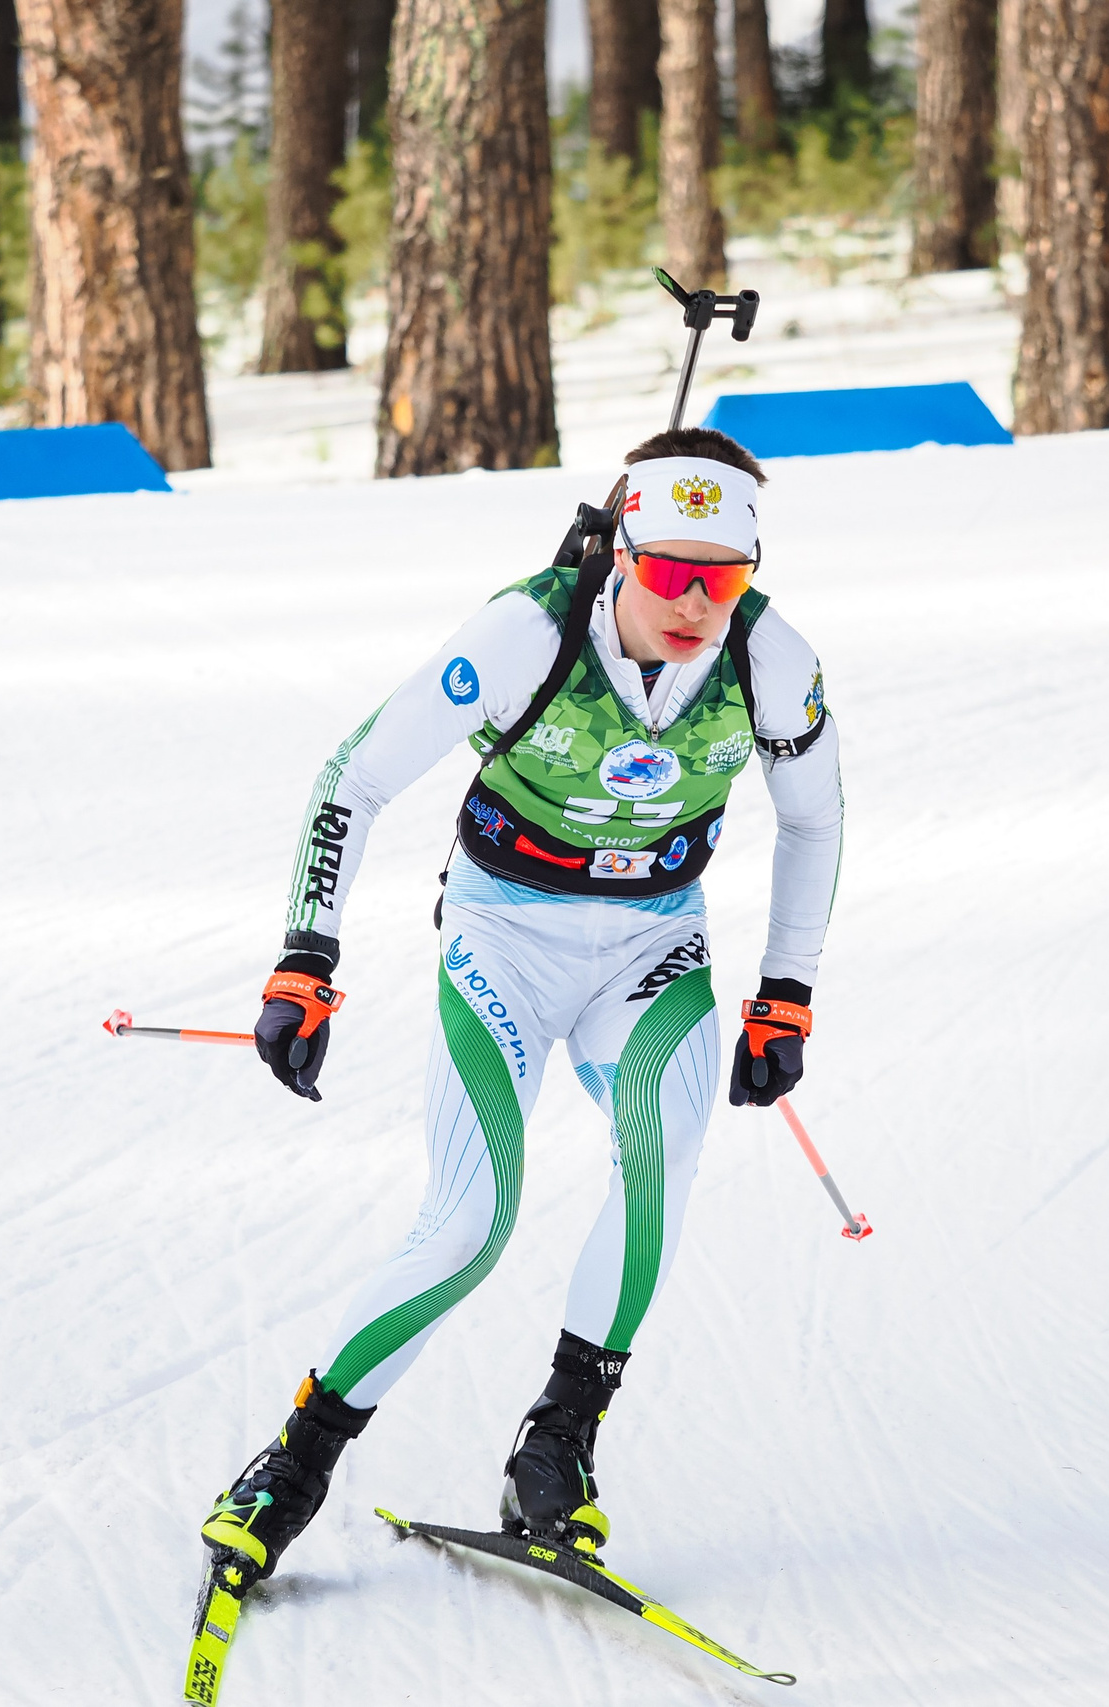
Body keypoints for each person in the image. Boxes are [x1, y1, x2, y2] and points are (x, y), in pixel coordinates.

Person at [198, 426, 843, 1597]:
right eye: (669, 571)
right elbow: (355, 777)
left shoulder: (771, 657)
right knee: (468, 1224)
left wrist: (785, 992)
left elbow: (813, 817)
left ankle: (558, 1445)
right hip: (505, 937)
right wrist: (304, 959)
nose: (695, 602)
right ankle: (292, 1466)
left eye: (724, 577)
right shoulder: (528, 632)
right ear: (620, 552)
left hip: (652, 945)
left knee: (659, 1163)